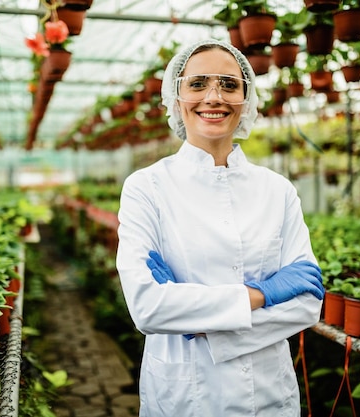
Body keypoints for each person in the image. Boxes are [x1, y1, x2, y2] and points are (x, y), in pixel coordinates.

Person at [115, 38, 324, 417]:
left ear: (246, 99)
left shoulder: (277, 190)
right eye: (197, 84)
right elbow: (148, 308)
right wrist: (263, 294)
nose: (214, 97)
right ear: (176, 97)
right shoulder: (147, 187)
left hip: (269, 395)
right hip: (185, 396)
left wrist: (196, 318)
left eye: (229, 85)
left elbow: (307, 304)